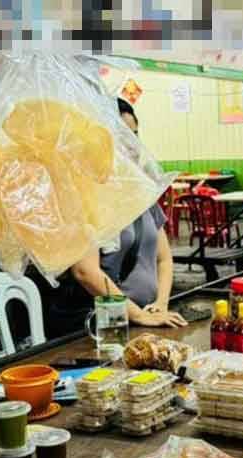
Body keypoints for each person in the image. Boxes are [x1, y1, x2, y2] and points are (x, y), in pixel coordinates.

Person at [71, 99, 187, 328]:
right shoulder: (84, 195)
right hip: (107, 326)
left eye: (135, 135)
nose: (133, 146)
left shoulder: (141, 191)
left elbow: (163, 258)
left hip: (149, 318)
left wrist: (160, 304)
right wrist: (139, 315)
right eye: (122, 137)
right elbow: (84, 271)